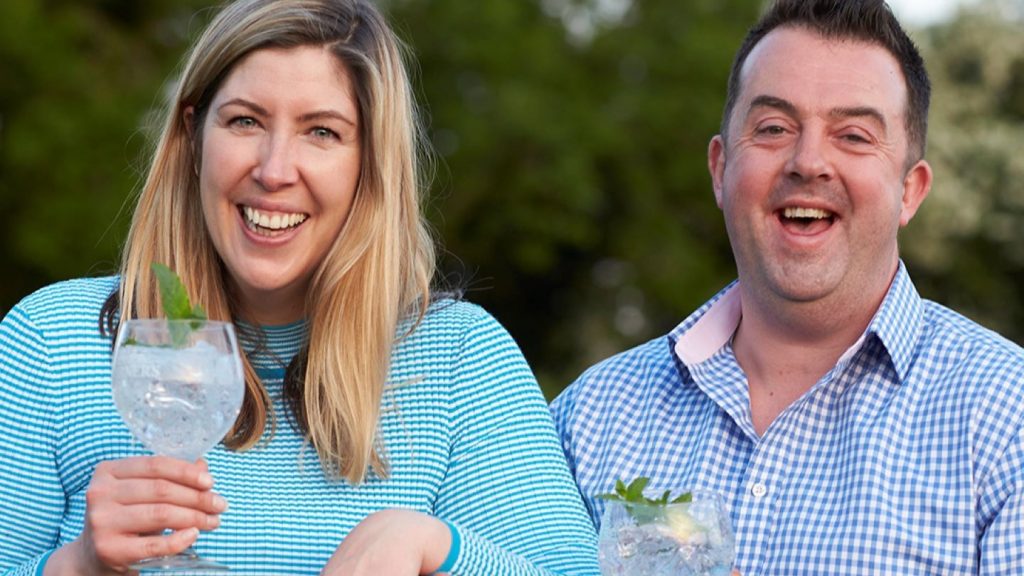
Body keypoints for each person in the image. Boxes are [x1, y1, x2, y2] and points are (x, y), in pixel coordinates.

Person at [0, 0, 600, 574]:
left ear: (371, 162)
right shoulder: (51, 341)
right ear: (194, 135)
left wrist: (430, 544)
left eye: (322, 133)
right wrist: (76, 566)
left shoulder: (460, 356)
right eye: (244, 121)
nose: (274, 170)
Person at [551, 0, 1024, 573]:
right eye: (773, 128)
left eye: (853, 135)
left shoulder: (1006, 423)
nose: (808, 161)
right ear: (720, 170)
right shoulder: (588, 418)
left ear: (910, 191)